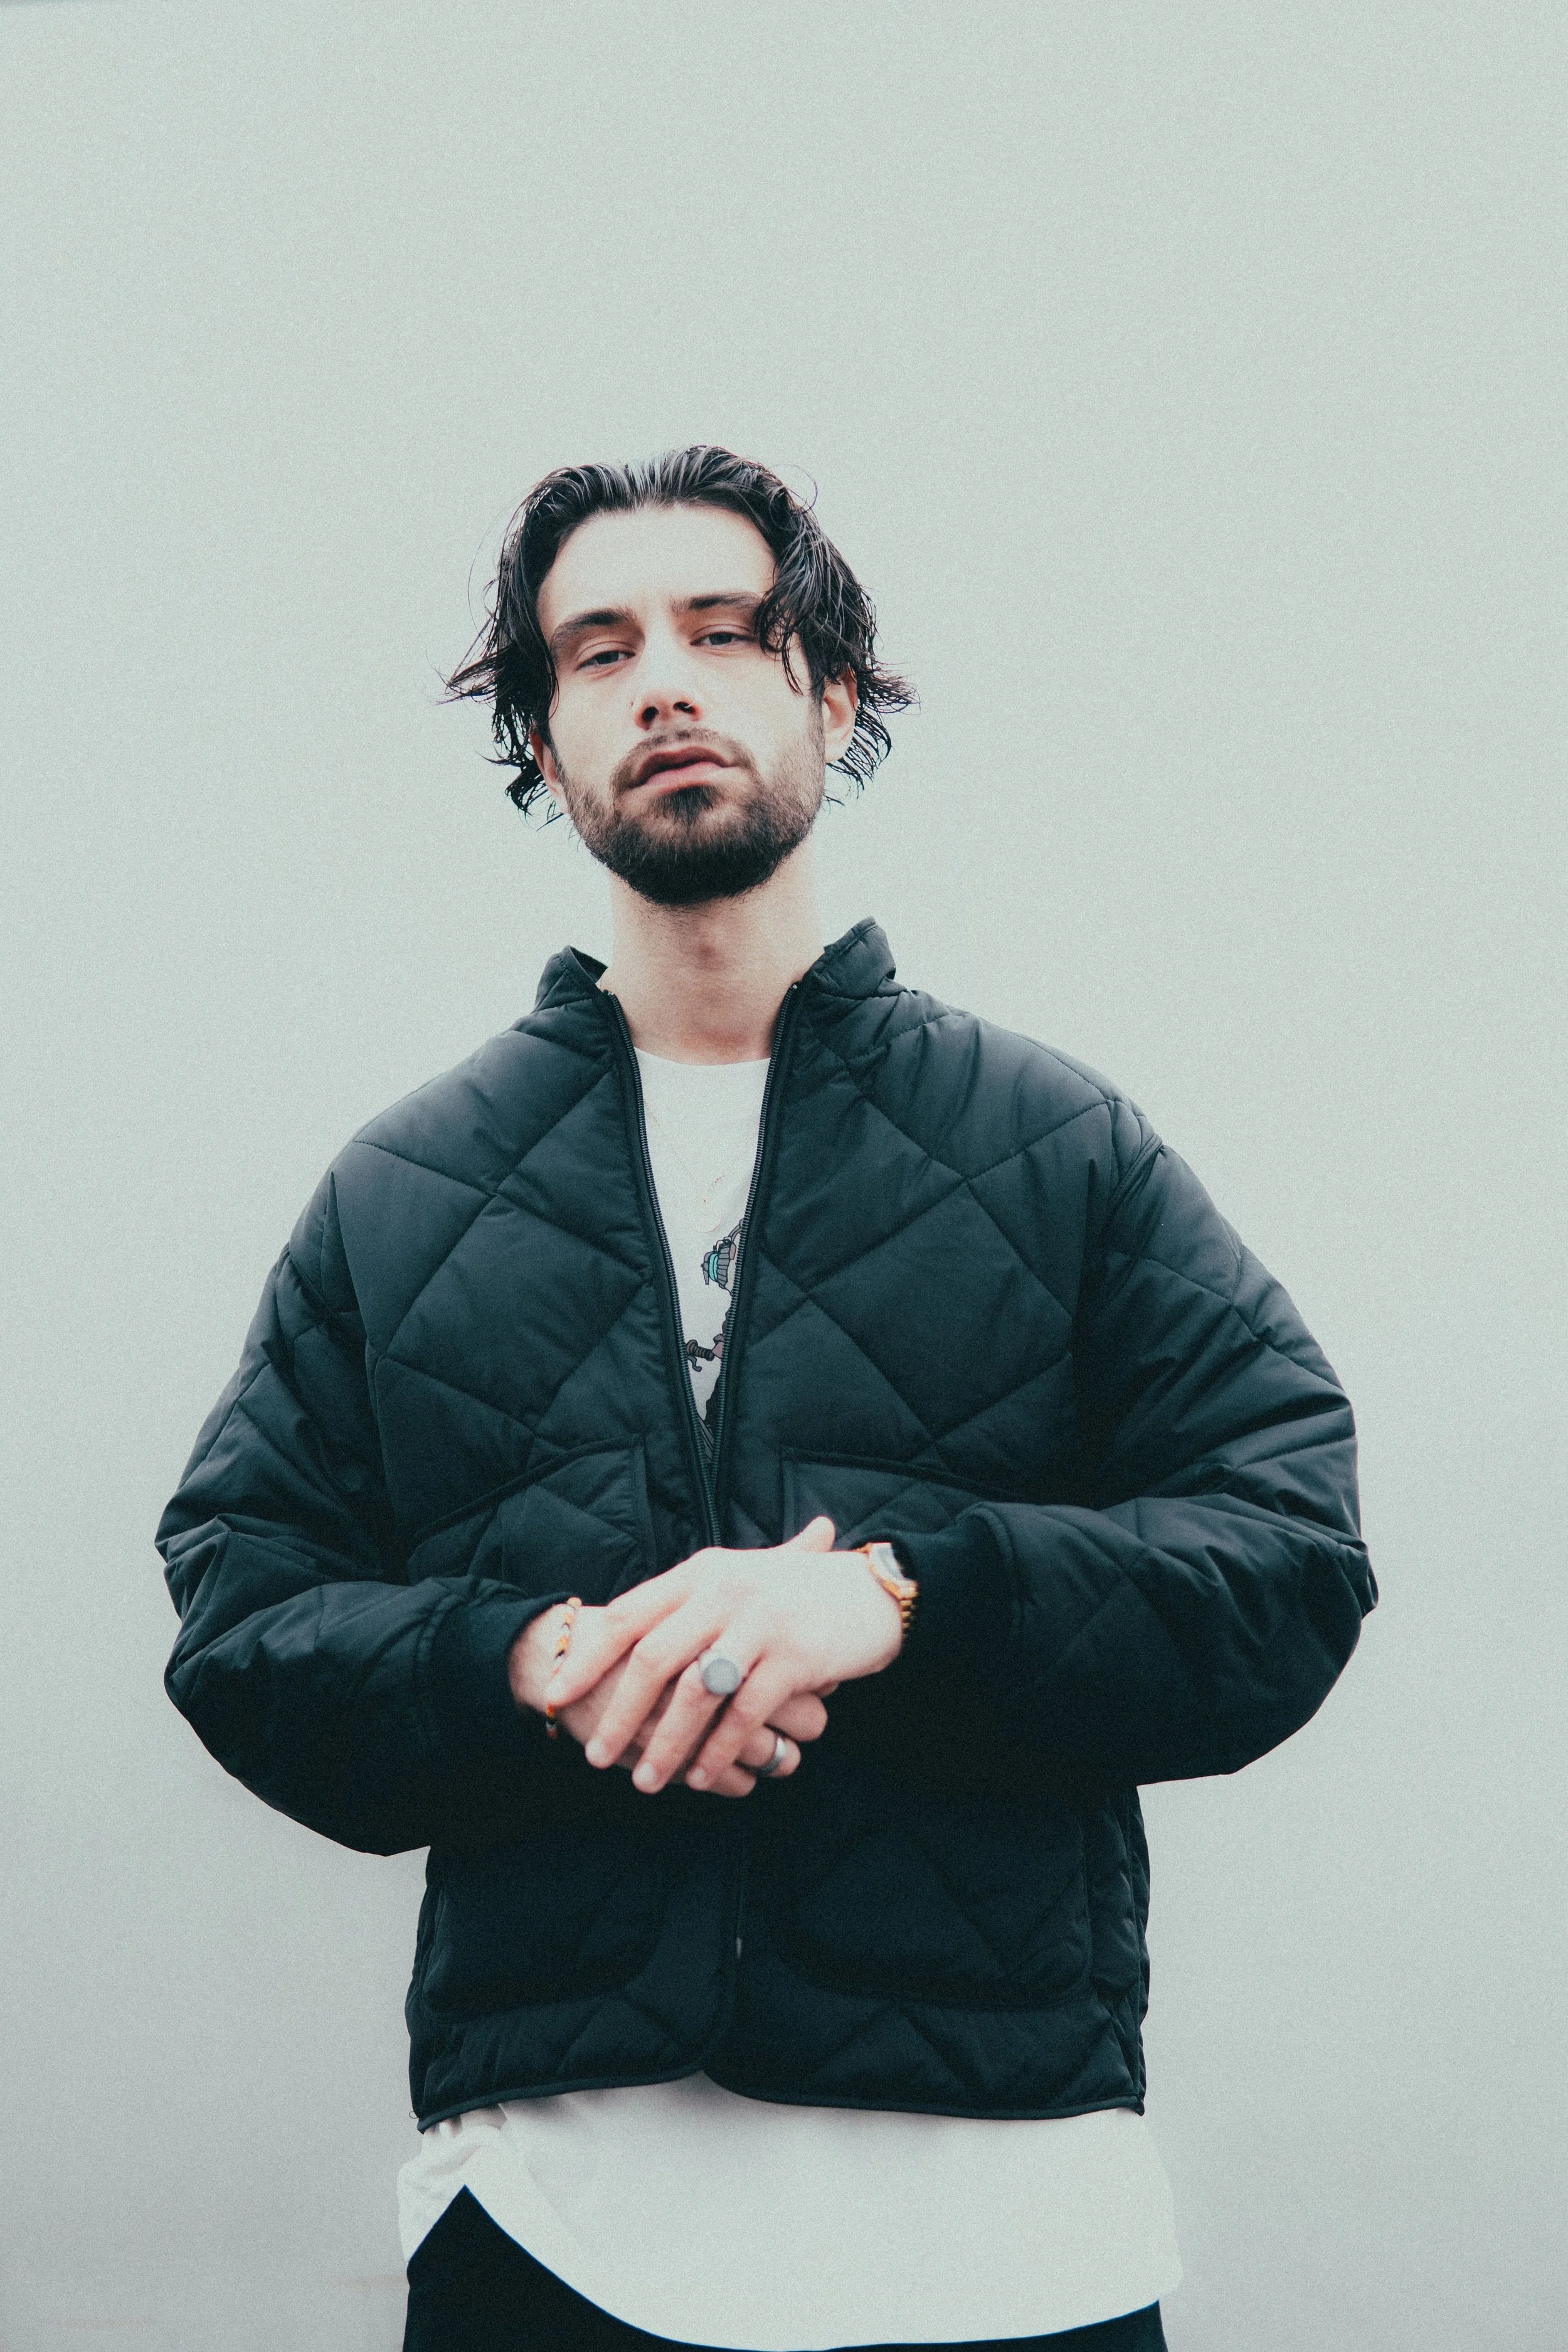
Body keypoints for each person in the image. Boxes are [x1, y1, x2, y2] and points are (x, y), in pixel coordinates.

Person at [157, 447, 1376, 2352]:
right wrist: (532, 1660)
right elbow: (242, 1616)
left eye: (727, 633)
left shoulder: (1059, 1148)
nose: (665, 682)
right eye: (599, 649)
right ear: (542, 737)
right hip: (550, 2230)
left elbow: (1286, 1560)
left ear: (831, 696)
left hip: (1014, 2241)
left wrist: (895, 1601)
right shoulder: (403, 1193)